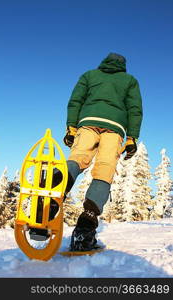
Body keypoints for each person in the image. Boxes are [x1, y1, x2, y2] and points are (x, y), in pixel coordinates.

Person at [63, 52, 143, 251]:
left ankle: (56, 187)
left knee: (77, 159)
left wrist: (71, 127)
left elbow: (76, 100)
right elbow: (134, 109)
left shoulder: (90, 75)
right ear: (123, 65)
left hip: (87, 123)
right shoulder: (129, 80)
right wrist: (132, 138)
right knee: (104, 172)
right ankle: (85, 229)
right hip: (115, 128)